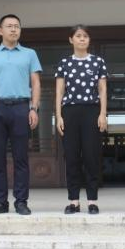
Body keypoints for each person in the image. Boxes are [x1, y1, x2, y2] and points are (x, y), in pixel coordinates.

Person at [0, 14, 42, 216]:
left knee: (21, 158)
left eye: (17, 26)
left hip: (21, 108)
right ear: (0, 30)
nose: (14, 29)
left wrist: (34, 108)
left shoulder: (29, 54)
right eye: (9, 26)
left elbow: (36, 83)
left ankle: (21, 202)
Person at [54, 25, 108, 214]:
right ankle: (74, 201)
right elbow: (59, 92)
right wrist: (58, 116)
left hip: (92, 111)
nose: (82, 39)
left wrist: (102, 113)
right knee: (71, 157)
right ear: (71, 40)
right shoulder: (64, 63)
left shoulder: (98, 62)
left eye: (85, 36)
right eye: (78, 36)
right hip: (69, 112)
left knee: (91, 156)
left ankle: (92, 201)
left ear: (89, 40)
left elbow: (102, 90)